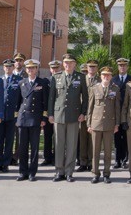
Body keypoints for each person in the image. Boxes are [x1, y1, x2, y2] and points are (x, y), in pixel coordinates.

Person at [49, 53, 88, 182]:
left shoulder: (81, 77)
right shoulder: (56, 77)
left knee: (71, 145)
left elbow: (86, 98)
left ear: (74, 64)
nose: (68, 65)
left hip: (74, 116)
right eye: (65, 62)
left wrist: (83, 113)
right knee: (59, 144)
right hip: (58, 115)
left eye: (70, 62)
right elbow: (52, 98)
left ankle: (69, 172)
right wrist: (50, 114)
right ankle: (59, 171)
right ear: (63, 64)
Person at [15, 60, 48, 181]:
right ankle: (22, 172)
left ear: (37, 69)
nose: (30, 70)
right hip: (23, 118)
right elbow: (17, 102)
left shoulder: (42, 83)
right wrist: (16, 118)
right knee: (22, 147)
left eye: (33, 68)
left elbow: (45, 102)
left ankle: (32, 172)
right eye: (28, 68)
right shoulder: (21, 83)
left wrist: (44, 118)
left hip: (35, 119)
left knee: (34, 148)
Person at [87, 66, 121, 183]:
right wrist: (89, 124)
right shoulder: (94, 88)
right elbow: (90, 107)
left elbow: (117, 108)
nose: (106, 77)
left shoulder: (115, 89)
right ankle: (95, 173)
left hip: (109, 124)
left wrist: (117, 124)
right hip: (96, 123)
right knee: (95, 151)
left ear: (111, 77)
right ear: (100, 76)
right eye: (104, 75)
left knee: (107, 151)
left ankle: (106, 174)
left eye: (108, 75)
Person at [0, 59, 22, 173]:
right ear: (3, 68)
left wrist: (18, 114)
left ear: (13, 67)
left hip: (12, 115)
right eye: (6, 66)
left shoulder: (19, 80)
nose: (8, 68)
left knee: (9, 140)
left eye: (10, 66)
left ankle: (6, 164)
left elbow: (21, 99)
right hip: (0, 115)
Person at [77, 60, 99, 172]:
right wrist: (82, 113)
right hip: (83, 113)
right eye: (90, 67)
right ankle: (83, 162)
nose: (91, 69)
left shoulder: (100, 80)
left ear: (97, 68)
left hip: (95, 114)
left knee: (92, 140)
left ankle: (91, 162)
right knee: (82, 139)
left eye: (93, 67)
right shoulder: (81, 79)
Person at [112, 57, 131, 169]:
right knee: (116, 138)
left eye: (124, 65)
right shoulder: (113, 79)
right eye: (120, 65)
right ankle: (117, 160)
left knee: (126, 138)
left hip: (127, 114)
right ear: (118, 67)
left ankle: (125, 159)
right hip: (116, 113)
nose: (122, 67)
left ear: (127, 67)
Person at [43, 59, 60, 166]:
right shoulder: (45, 81)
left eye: (56, 68)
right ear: (50, 69)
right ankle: (47, 157)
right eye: (52, 68)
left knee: (58, 137)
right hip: (48, 113)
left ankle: (56, 157)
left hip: (59, 113)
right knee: (47, 136)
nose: (54, 70)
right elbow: (44, 99)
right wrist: (45, 116)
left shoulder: (62, 80)